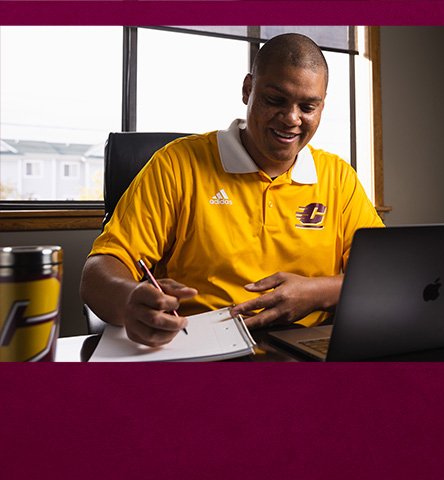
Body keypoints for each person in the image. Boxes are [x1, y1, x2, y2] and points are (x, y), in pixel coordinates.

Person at [80, 33, 384, 347]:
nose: (292, 118)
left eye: (307, 107)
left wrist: (318, 293)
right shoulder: (177, 164)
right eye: (275, 100)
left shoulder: (338, 177)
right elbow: (98, 271)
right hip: (198, 346)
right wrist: (130, 300)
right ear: (248, 89)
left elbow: (383, 276)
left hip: (308, 347)